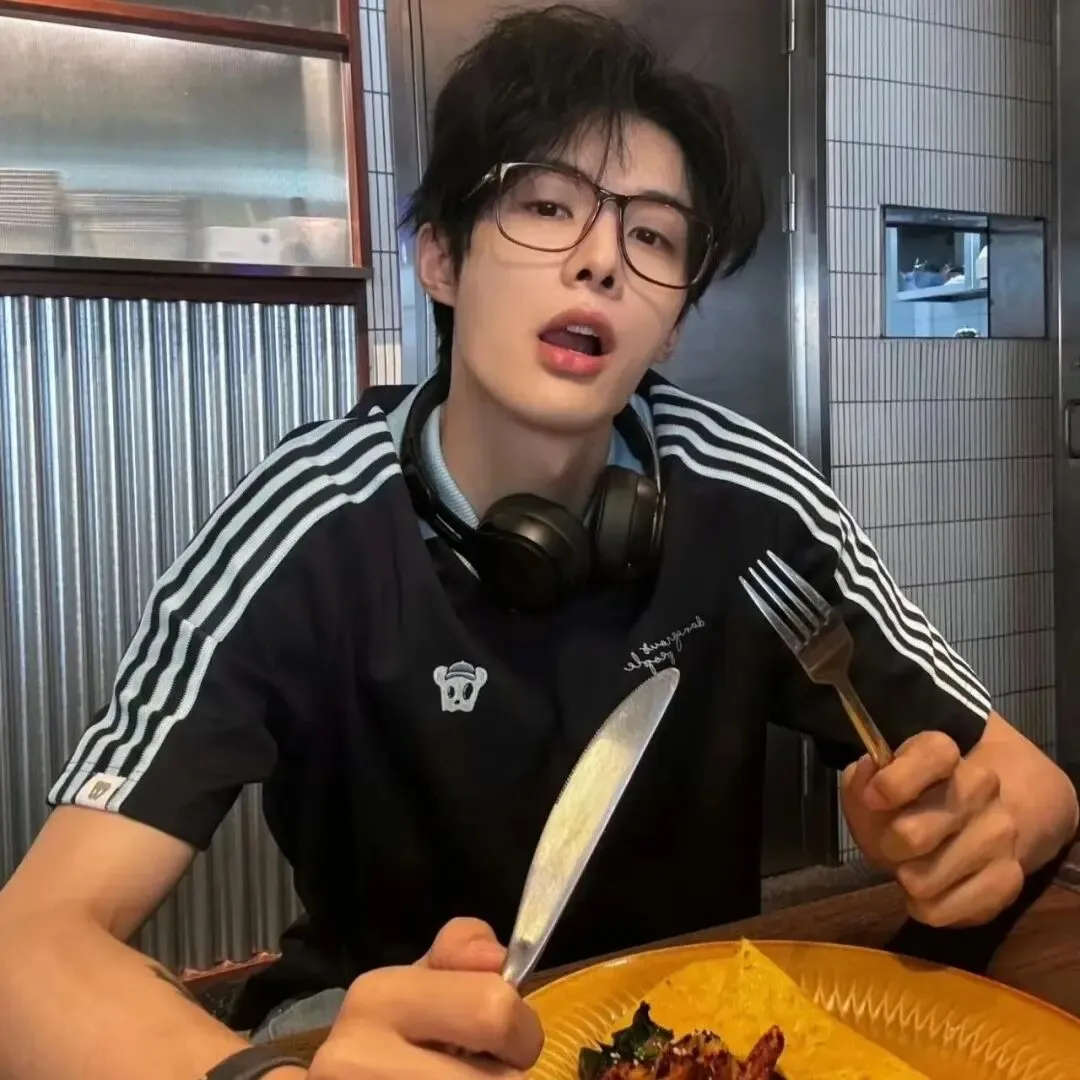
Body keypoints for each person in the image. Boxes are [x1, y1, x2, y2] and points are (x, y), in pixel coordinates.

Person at [0, 6, 1075, 1080]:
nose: (602, 260)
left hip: (675, 1039)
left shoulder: (750, 501)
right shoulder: (305, 523)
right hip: (376, 1047)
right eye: (548, 206)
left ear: (674, 321)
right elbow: (28, 947)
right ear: (440, 256)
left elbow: (1035, 792)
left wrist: (962, 842)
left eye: (652, 236)